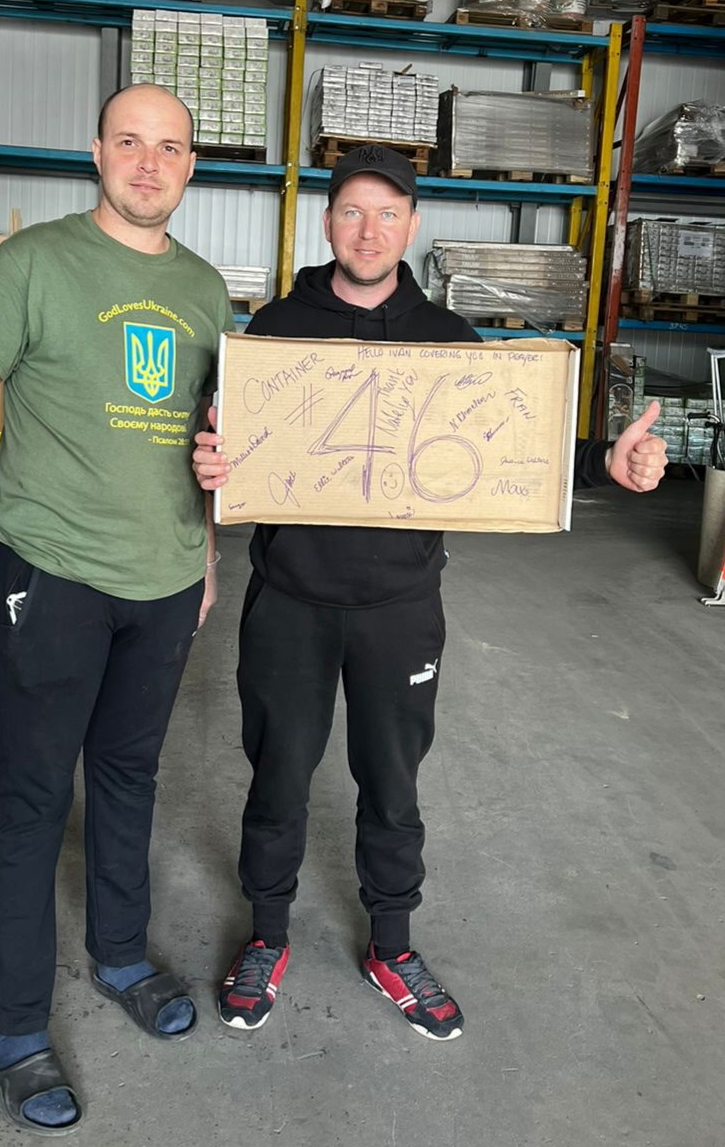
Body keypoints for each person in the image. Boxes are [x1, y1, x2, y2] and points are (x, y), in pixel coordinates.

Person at [193, 144, 667, 1042]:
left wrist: (600, 462)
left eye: (388, 213)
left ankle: (393, 943)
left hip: (402, 606)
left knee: (393, 779)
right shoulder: (273, 333)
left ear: (411, 226)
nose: (368, 230)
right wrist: (207, 458)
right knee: (281, 773)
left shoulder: (449, 339)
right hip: (291, 599)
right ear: (326, 222)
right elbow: (223, 448)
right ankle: (267, 932)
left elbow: (505, 451)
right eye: (350, 212)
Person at [0, 84, 233, 1135]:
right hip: (54, 577)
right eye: (129, 142)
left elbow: (207, 438)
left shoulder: (202, 288)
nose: (149, 163)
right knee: (34, 793)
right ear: (97, 153)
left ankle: (123, 956)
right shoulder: (37, 262)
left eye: (169, 147)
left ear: (190, 167)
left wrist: (209, 547)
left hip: (167, 578)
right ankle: (15, 1026)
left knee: (131, 774)